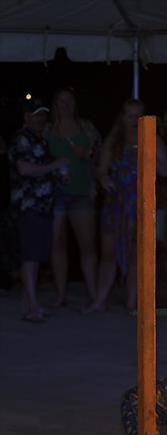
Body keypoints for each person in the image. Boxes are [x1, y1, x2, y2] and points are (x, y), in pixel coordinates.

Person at [86, 100, 167, 313]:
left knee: (136, 254)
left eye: (138, 116)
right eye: (130, 116)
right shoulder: (113, 142)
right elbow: (101, 171)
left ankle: (132, 303)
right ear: (122, 118)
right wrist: (104, 180)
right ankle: (100, 300)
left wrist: (148, 153)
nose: (134, 121)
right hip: (116, 203)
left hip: (139, 203)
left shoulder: (152, 138)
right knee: (109, 253)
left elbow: (164, 170)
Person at [9, 100, 68, 322]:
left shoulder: (40, 139)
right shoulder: (21, 139)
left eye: (43, 115)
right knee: (30, 255)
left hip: (44, 204)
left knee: (36, 255)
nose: (40, 119)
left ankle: (29, 303)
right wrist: (54, 166)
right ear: (26, 117)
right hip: (28, 204)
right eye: (35, 115)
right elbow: (24, 169)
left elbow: (43, 169)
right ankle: (33, 306)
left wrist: (59, 174)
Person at [48, 88, 101, 307]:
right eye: (61, 101)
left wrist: (88, 155)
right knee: (57, 244)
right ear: (56, 105)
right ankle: (61, 295)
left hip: (81, 193)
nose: (66, 105)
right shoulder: (48, 129)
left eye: (69, 100)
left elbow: (102, 154)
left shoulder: (86, 127)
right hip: (55, 194)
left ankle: (94, 294)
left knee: (87, 245)